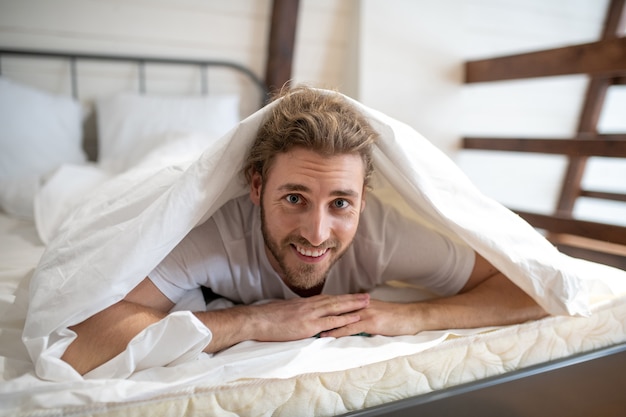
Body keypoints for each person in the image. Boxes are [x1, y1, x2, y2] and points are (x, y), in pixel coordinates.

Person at [61, 86, 546, 375]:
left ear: (363, 200)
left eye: (341, 203)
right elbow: (83, 342)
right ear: (255, 186)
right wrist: (255, 322)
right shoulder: (208, 233)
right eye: (294, 198)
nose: (317, 232)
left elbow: (532, 291)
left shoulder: (381, 234)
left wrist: (413, 317)